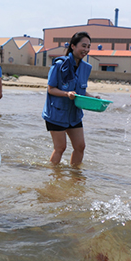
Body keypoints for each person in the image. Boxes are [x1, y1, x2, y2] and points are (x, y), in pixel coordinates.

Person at [42, 31, 99, 166]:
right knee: (60, 148)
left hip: (74, 115)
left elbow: (81, 91)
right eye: (83, 46)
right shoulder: (59, 64)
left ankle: (75, 176)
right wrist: (66, 94)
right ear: (73, 46)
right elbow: (51, 89)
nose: (86, 50)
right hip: (56, 114)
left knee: (80, 146)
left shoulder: (86, 68)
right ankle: (54, 177)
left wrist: (94, 98)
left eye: (88, 47)